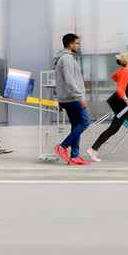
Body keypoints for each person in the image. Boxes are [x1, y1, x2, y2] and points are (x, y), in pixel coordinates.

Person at [53, 33, 93, 165]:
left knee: (76, 125)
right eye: (77, 43)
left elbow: (60, 81)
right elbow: (70, 81)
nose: (78, 46)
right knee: (86, 121)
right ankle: (62, 146)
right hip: (72, 98)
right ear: (70, 44)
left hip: (66, 98)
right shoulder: (67, 59)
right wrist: (80, 97)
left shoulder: (62, 58)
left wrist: (59, 99)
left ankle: (74, 156)